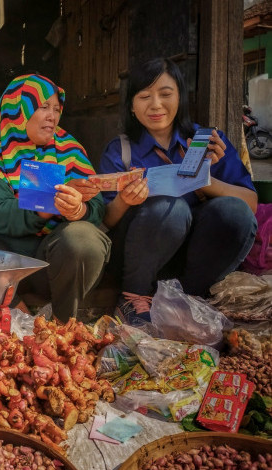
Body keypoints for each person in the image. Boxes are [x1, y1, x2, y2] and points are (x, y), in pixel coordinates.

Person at [0, 74, 111, 323]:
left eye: (57, 109)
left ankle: (63, 325)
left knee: (83, 238)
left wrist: (78, 210)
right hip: (4, 265)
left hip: (56, 263)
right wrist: (50, 203)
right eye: (43, 107)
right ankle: (17, 311)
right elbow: (1, 215)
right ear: (18, 109)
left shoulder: (70, 150)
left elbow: (97, 208)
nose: (52, 116)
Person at [98, 57, 258, 325]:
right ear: (132, 107)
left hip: (193, 262)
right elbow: (106, 221)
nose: (156, 105)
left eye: (165, 94)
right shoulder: (121, 151)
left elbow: (250, 204)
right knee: (170, 208)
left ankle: (186, 298)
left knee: (234, 212)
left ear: (181, 97)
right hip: (140, 259)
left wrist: (204, 181)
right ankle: (132, 297)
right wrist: (126, 200)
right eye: (144, 96)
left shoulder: (206, 143)